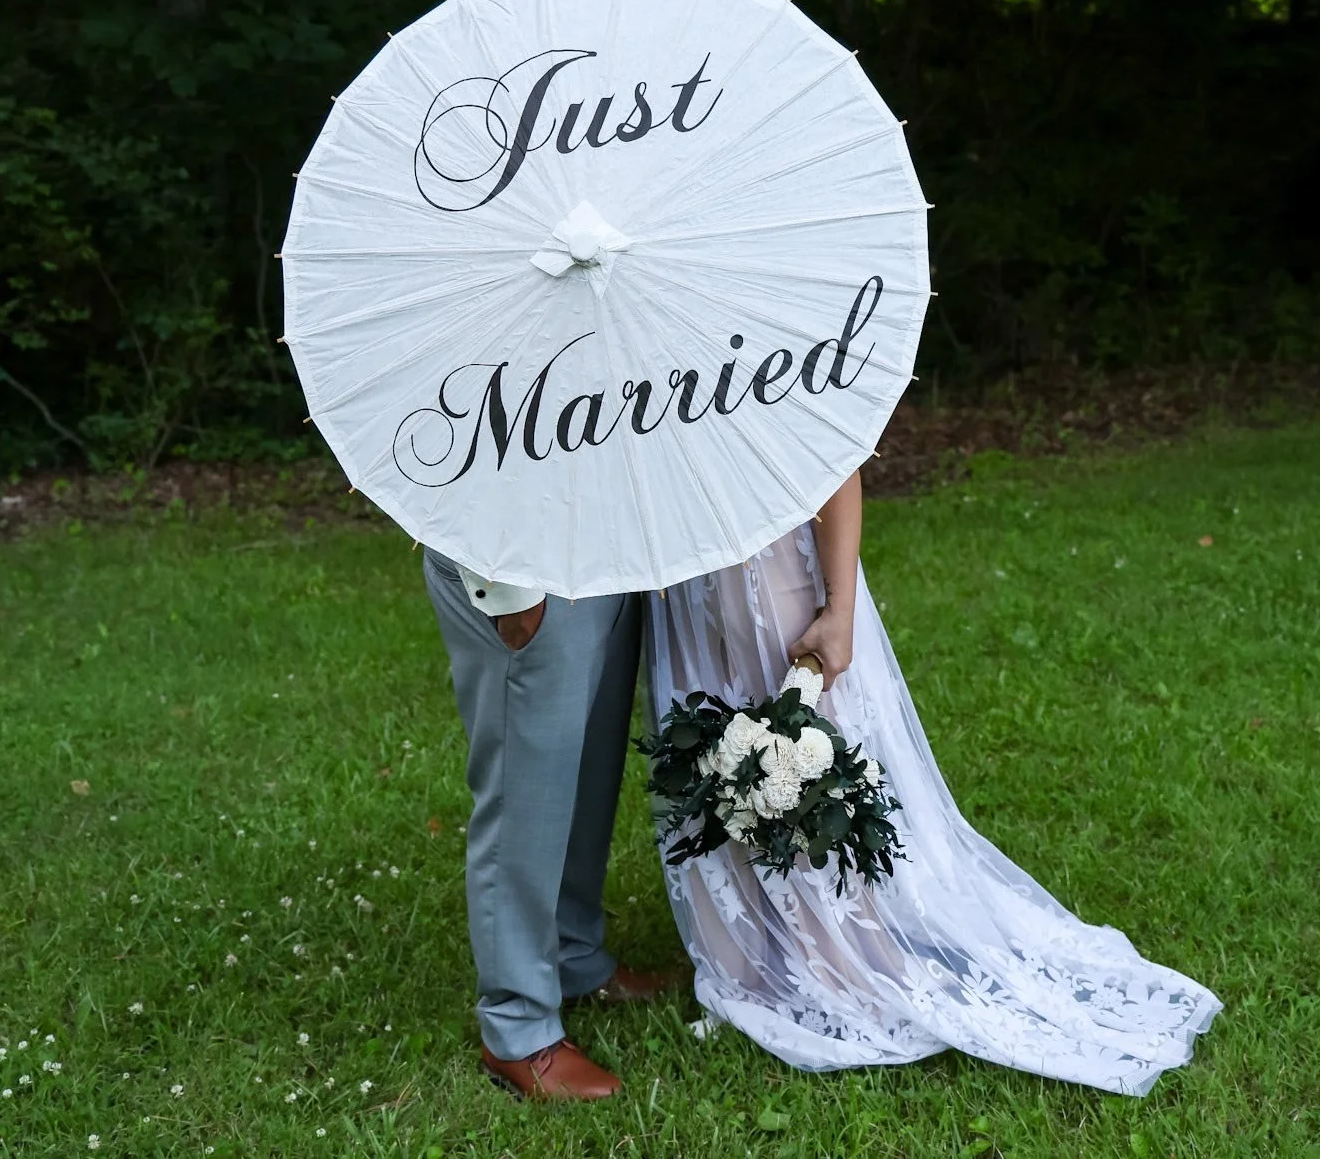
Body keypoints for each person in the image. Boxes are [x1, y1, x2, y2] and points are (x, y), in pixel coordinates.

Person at [646, 471, 1221, 1094]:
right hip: (683, 583)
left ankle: (836, 966)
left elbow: (836, 459)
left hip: (774, 565)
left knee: (800, 758)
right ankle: (746, 965)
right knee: (715, 758)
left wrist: (837, 610)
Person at [420, 549, 677, 1101]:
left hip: (597, 546)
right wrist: (510, 593)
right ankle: (517, 1027)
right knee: (525, 789)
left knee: (585, 771)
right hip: (521, 565)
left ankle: (572, 955)